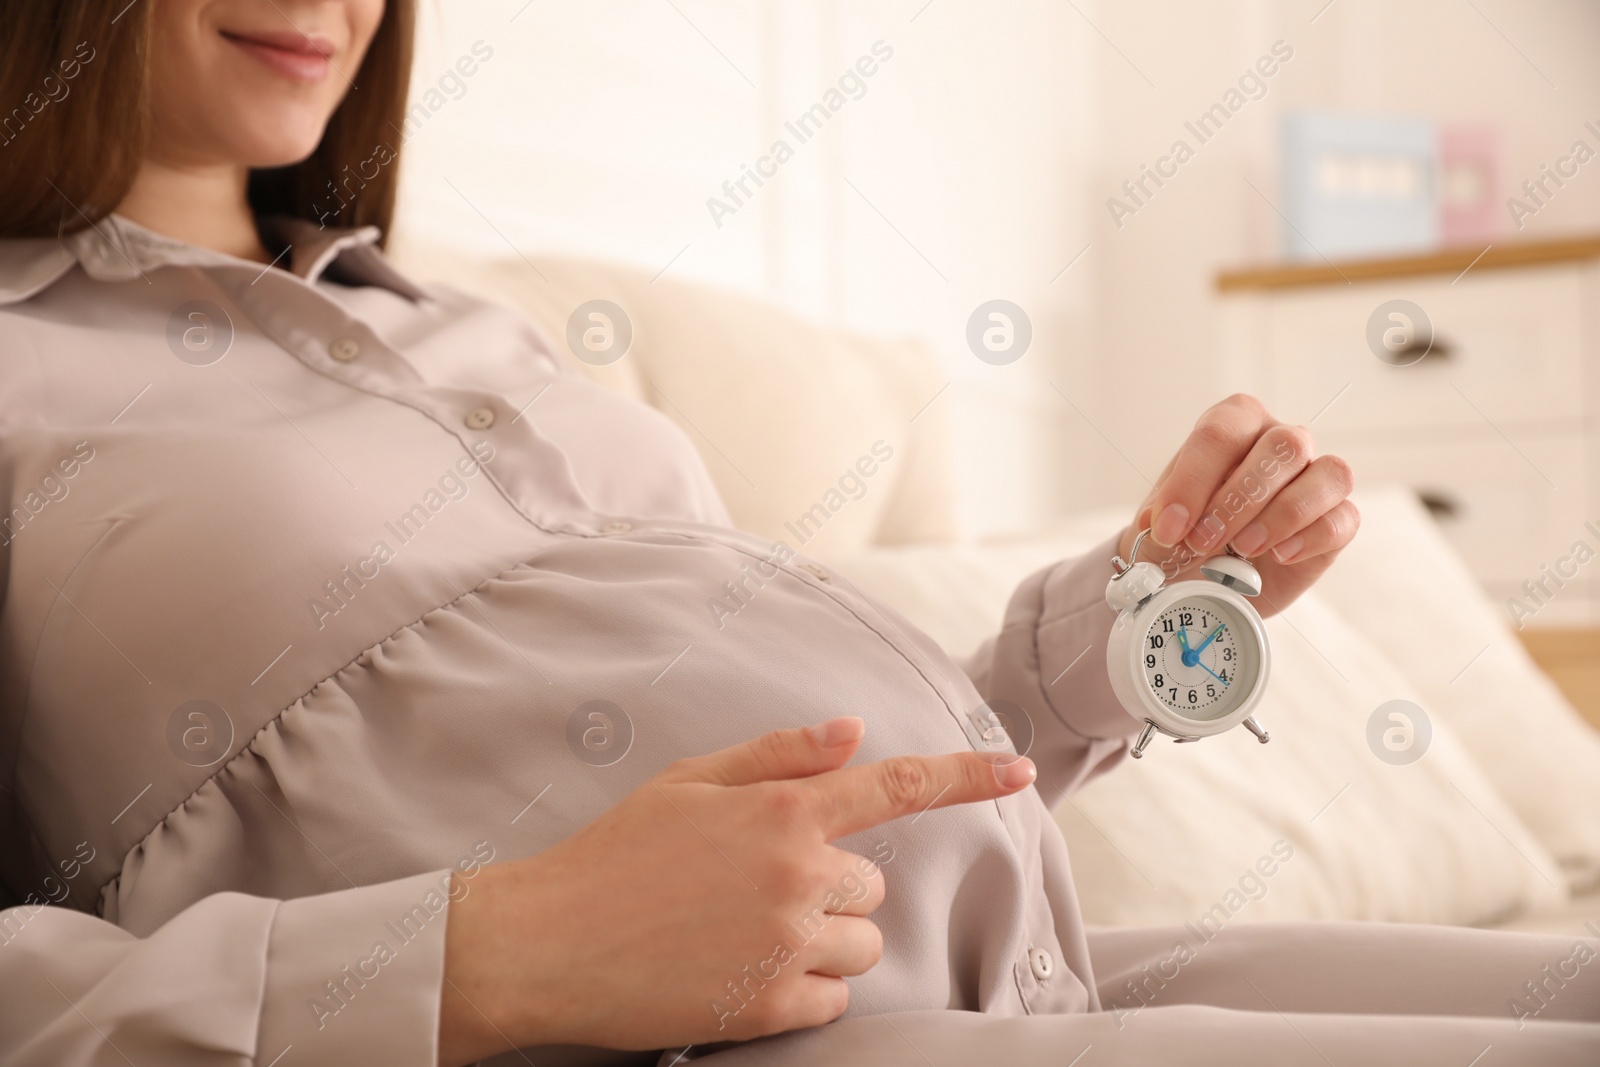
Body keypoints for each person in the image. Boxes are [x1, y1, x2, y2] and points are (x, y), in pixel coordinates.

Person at [0, 2, 1592, 1065]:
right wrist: (492, 953)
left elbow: (827, 769)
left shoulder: (479, 337)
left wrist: (1133, 624)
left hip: (1031, 957)